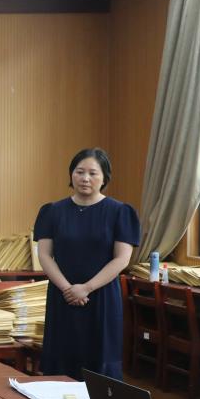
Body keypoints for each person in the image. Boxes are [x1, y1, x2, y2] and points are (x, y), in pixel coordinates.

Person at [34, 148, 139, 380]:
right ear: (71, 174)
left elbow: (122, 259)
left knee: (100, 364)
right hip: (63, 296)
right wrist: (68, 289)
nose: (85, 178)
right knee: (61, 362)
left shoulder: (119, 212)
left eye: (93, 173)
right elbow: (44, 255)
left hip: (101, 296)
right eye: (79, 172)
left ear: (104, 178)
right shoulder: (53, 211)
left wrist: (86, 288)